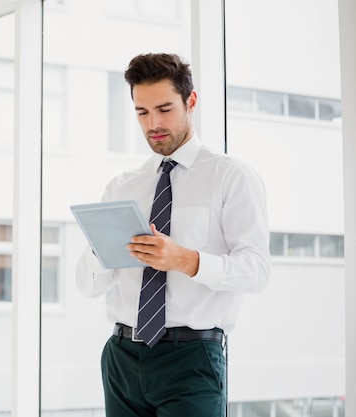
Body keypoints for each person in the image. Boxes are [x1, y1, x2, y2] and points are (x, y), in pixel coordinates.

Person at [75, 53, 271, 417]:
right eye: (142, 113)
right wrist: (104, 250)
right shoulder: (122, 187)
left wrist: (184, 259)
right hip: (121, 356)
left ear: (190, 101)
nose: (154, 124)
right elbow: (88, 286)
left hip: (191, 359)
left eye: (165, 109)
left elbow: (256, 270)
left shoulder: (230, 177)